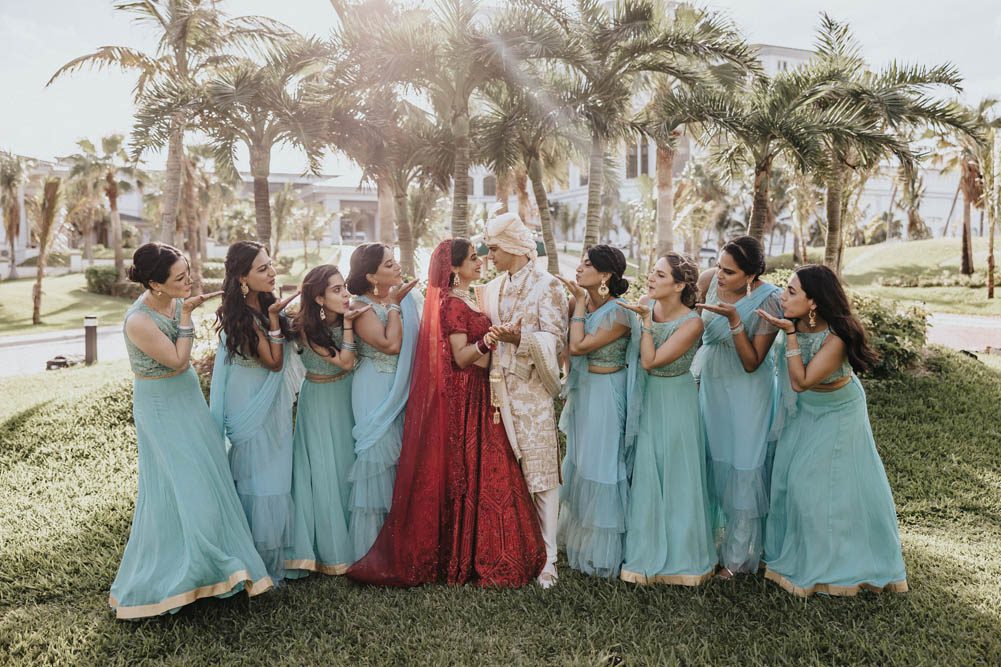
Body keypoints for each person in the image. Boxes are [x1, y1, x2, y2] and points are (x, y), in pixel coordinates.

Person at [348, 239, 545, 587]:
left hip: (481, 392)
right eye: (472, 258)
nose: (481, 262)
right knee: (466, 472)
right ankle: (464, 555)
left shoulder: (470, 298)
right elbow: (461, 357)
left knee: (482, 470)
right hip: (465, 395)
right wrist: (491, 340)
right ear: (453, 268)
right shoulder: (452, 305)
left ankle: (482, 550)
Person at [111, 242, 271, 619]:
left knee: (208, 473)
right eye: (180, 277)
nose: (190, 280)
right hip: (161, 406)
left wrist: (184, 309)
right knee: (183, 483)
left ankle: (220, 568)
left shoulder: (173, 301)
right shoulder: (138, 320)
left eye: (188, 272)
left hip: (187, 401)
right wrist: (187, 315)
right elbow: (179, 360)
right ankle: (189, 570)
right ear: (155, 283)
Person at [757, 265, 908, 596]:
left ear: (813, 302)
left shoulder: (837, 336)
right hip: (805, 409)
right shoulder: (792, 321)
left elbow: (801, 381)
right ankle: (796, 554)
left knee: (829, 486)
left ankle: (837, 567)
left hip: (839, 410)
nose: (784, 296)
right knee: (791, 481)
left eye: (792, 291)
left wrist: (791, 336)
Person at [478, 209, 569, 588]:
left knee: (541, 474)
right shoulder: (492, 287)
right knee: (506, 474)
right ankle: (515, 549)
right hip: (495, 391)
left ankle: (549, 561)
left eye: (494, 248)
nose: (489, 255)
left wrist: (521, 339)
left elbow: (556, 338)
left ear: (514, 248)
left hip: (530, 391)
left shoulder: (548, 285)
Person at [619, 253, 716, 586]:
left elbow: (652, 361)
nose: (650, 279)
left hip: (676, 399)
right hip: (646, 398)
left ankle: (682, 557)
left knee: (676, 471)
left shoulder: (693, 323)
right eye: (652, 272)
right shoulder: (646, 301)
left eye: (660, 275)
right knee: (647, 468)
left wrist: (646, 323)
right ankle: (645, 549)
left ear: (679, 285)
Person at [210, 240, 301, 583]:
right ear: (243, 278)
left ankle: (271, 555)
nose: (272, 272)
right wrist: (276, 320)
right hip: (248, 400)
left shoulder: (265, 307)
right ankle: (255, 560)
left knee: (274, 469)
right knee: (258, 473)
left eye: (271, 265)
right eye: (263, 269)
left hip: (269, 400)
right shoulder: (244, 319)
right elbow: (275, 363)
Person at [695, 235, 783, 579]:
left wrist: (734, 321)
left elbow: (752, 361)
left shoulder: (771, 300)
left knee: (743, 464)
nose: (719, 275)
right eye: (718, 265)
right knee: (715, 459)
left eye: (729, 271)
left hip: (748, 390)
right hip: (712, 385)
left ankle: (736, 560)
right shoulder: (709, 283)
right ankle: (709, 543)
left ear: (750, 275)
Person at [555, 245, 640, 578]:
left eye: (588, 265)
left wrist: (575, 304)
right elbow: (566, 351)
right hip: (584, 391)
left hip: (608, 392)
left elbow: (580, 345)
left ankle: (603, 553)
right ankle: (581, 542)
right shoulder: (580, 304)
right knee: (582, 461)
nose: (579, 268)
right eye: (581, 262)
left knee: (604, 465)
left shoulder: (620, 312)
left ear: (605, 275)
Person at [285, 265, 369, 578]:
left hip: (348, 397)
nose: (345, 294)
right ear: (319, 297)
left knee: (350, 462)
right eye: (336, 290)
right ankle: (330, 551)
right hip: (319, 401)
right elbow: (345, 362)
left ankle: (359, 539)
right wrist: (348, 326)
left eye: (344, 287)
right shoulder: (306, 328)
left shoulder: (356, 314)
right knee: (324, 468)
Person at [345, 243, 420, 559]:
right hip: (375, 386)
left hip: (405, 385)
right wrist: (391, 304)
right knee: (379, 458)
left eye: (395, 261)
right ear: (371, 275)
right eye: (389, 264)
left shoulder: (406, 299)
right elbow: (390, 346)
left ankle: (401, 539)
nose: (397, 266)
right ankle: (372, 550)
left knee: (402, 458)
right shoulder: (361, 307)